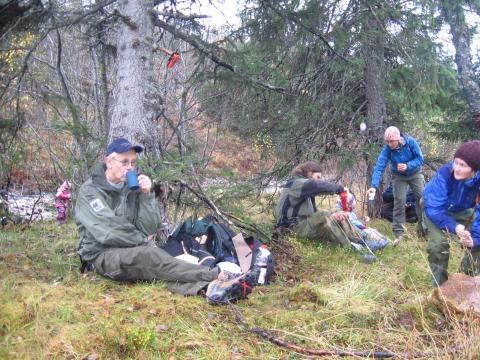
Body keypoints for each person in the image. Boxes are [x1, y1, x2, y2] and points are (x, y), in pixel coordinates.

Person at [75, 138, 257, 303]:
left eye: (133, 162)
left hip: (129, 250)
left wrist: (146, 196)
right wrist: (142, 242)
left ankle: (209, 290)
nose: (130, 167)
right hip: (100, 256)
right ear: (109, 162)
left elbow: (150, 227)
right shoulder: (90, 191)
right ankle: (219, 275)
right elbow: (108, 231)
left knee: (157, 271)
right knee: (150, 257)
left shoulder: (131, 187)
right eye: (124, 162)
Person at [423, 140, 480, 287]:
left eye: (463, 165)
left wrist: (474, 239)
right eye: (456, 162)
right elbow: (434, 208)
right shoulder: (445, 173)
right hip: (435, 208)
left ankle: (465, 285)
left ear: (474, 169)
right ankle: (440, 288)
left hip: (462, 210)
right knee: (438, 245)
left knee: (477, 242)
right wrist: (455, 227)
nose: (457, 169)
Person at [275, 161, 364, 250]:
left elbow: (314, 213)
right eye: (317, 177)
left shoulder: (305, 190)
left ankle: (358, 240)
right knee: (323, 214)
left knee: (336, 211)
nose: (319, 180)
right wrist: (340, 189)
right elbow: (316, 185)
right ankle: (350, 247)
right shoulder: (296, 183)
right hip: (291, 228)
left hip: (302, 225)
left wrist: (334, 215)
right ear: (309, 172)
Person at [367, 126, 425, 243]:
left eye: (391, 141)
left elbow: (420, 159)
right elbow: (379, 166)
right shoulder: (387, 149)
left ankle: (424, 229)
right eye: (387, 141)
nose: (389, 144)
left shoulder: (410, 142)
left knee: (422, 199)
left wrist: (408, 165)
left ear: (398, 139)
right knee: (399, 201)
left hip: (415, 173)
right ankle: (399, 232)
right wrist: (373, 186)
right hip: (399, 177)